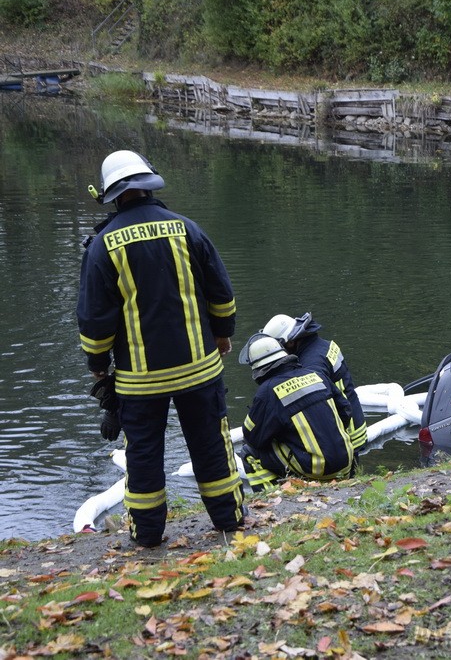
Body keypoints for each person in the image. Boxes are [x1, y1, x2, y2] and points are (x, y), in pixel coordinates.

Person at [77, 150, 244, 547]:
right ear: (149, 185)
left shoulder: (103, 246)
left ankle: (148, 535)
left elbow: (95, 321)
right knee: (210, 446)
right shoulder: (187, 229)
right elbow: (221, 293)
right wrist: (223, 334)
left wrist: (98, 365)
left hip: (140, 380)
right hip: (200, 369)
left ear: (113, 195)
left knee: (144, 456)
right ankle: (228, 521)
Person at [238, 335, 356, 490]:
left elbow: (252, 437)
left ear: (258, 369)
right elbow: (346, 411)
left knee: (249, 452)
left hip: (316, 470)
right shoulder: (316, 374)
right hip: (346, 463)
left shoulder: (267, 391)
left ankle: (272, 497)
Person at [261, 313, 367, 453]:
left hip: (346, 432)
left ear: (290, 342)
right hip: (355, 424)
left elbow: (315, 406)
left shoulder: (311, 365)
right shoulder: (323, 345)